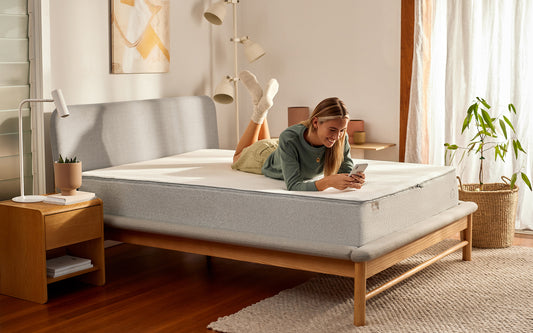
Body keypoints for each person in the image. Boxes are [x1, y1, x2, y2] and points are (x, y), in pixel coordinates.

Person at [231, 70, 365, 191]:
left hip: (280, 149)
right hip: (262, 156)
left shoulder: (341, 137)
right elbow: (294, 185)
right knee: (236, 158)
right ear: (316, 122)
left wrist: (352, 178)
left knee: (265, 142)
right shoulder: (290, 137)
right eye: (332, 129)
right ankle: (259, 109)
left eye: (342, 130)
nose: (337, 136)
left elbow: (345, 168)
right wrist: (327, 182)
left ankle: (261, 105)